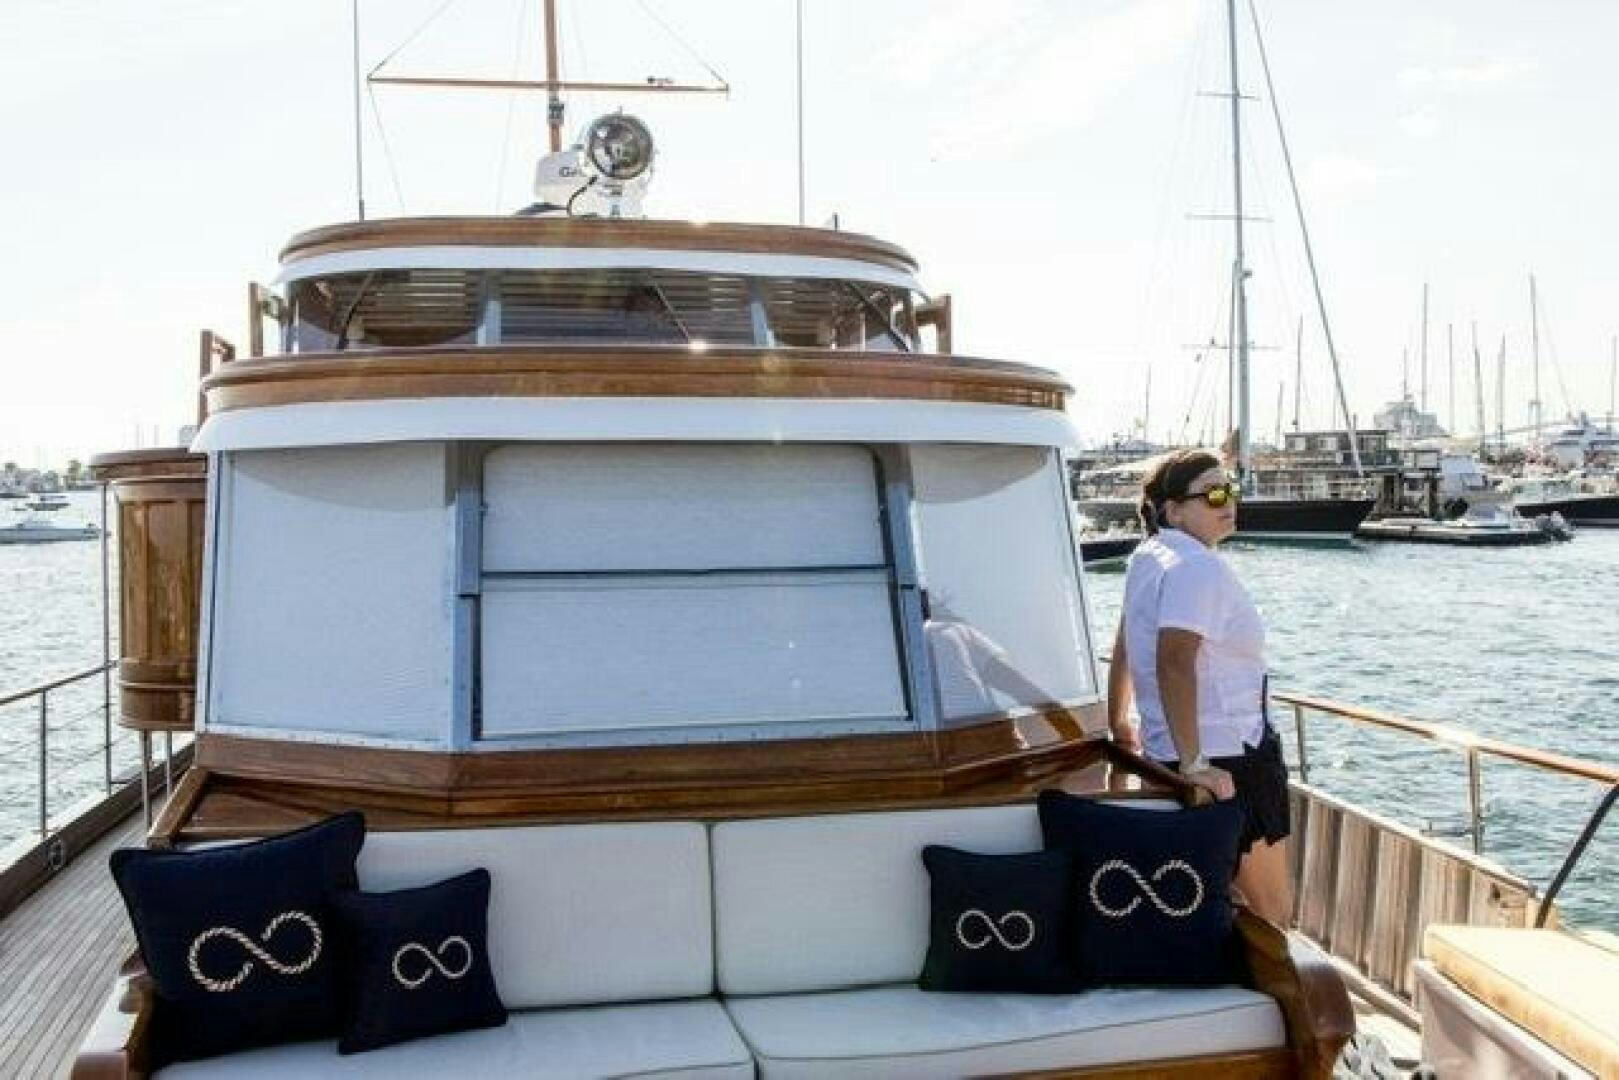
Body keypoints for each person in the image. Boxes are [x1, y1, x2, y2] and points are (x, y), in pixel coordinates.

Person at [1105, 449, 1293, 926]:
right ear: (1174, 509)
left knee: (1203, 901)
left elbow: (1125, 645)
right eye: (1212, 494)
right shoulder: (1197, 567)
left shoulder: (1148, 557)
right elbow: (1174, 661)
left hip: (1170, 751)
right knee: (1269, 912)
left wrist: (1120, 727)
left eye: (1230, 490)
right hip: (1228, 759)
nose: (1227, 501)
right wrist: (1196, 764)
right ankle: (1282, 999)